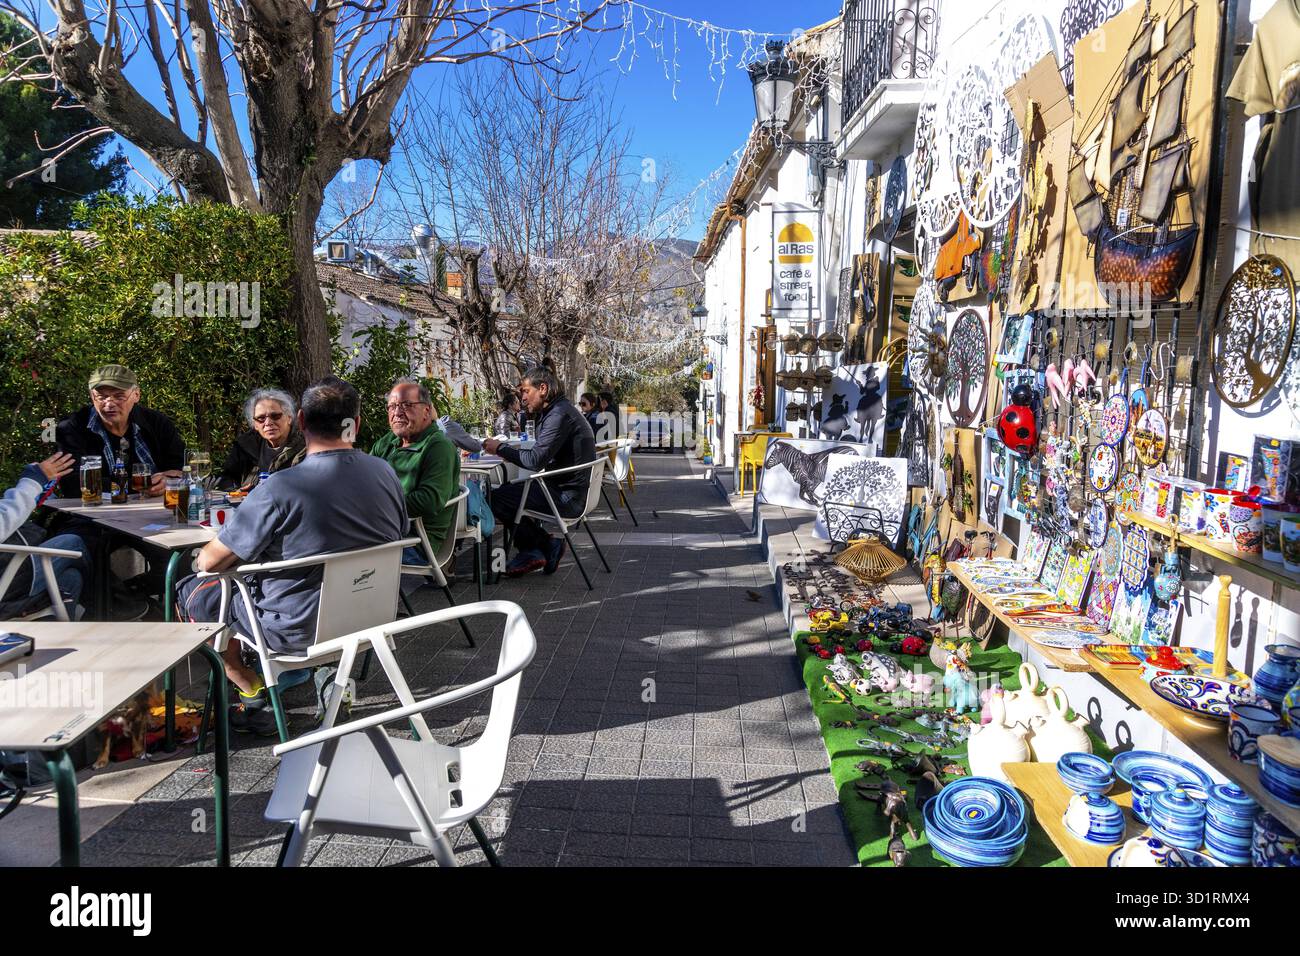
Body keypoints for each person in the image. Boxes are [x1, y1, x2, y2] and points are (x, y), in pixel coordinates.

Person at [176, 376, 408, 735]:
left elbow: (209, 563)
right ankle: (323, 679)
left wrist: (200, 555)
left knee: (191, 591)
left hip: (294, 629)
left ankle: (252, 692)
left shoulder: (280, 488)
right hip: (372, 616)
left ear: (299, 421)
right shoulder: (386, 473)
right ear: (356, 424)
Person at [482, 366, 595, 577]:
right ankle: (542, 546)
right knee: (510, 491)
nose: (523, 398)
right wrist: (513, 454)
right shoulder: (561, 410)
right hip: (568, 489)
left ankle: (534, 548)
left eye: (526, 391)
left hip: (566, 497)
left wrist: (500, 448)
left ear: (542, 388)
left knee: (495, 498)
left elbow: (534, 460)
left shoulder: (559, 415)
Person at [54, 364, 185, 498]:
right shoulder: (72, 428)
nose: (109, 403)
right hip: (93, 510)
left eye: (119, 396)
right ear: (92, 397)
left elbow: (180, 469)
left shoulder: (157, 422)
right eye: (101, 397)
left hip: (154, 506)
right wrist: (139, 484)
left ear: (136, 395)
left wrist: (168, 481)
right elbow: (71, 484)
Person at [370, 379, 461, 562]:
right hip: (383, 531)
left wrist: (375, 506)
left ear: (427, 410)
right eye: (392, 406)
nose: (397, 413)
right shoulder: (389, 441)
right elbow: (365, 478)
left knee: (337, 552)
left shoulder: (438, 446)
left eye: (406, 405)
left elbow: (428, 501)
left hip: (416, 542)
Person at [0, 451, 88, 618]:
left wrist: (35, 492)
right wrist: (33, 481)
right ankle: (115, 602)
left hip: (7, 573)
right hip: (5, 577)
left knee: (70, 579)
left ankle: (58, 639)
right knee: (73, 541)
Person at [217, 388, 307, 490]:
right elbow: (226, 479)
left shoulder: (306, 446)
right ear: (255, 424)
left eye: (275, 416)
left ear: (289, 418)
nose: (268, 422)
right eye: (261, 418)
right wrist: (236, 491)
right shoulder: (245, 445)